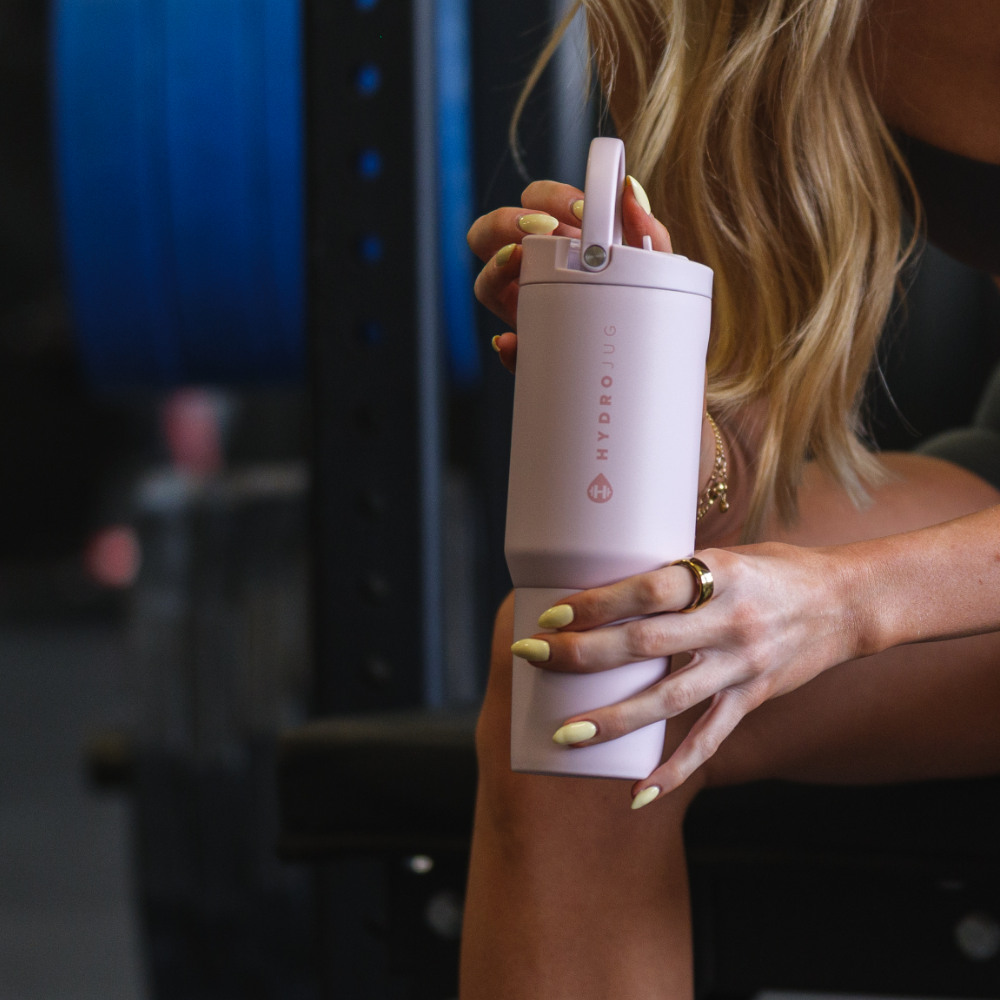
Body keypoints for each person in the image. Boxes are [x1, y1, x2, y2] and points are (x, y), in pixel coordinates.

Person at [460, 0, 1000, 996]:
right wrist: (640, 397)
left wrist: (848, 601)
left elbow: (840, 601)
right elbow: (724, 487)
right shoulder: (701, 20)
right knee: (602, 661)